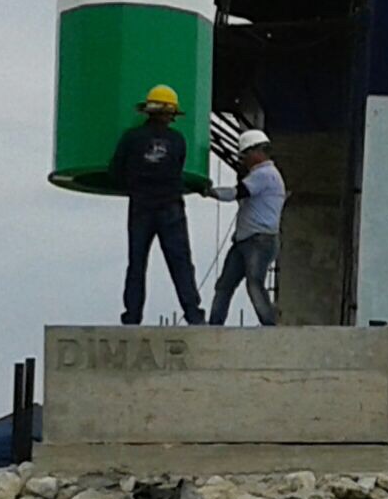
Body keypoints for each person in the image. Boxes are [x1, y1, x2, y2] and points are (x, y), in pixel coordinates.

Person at [110, 85, 204, 325]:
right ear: (170, 113)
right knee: (180, 262)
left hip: (141, 206)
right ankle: (193, 315)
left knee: (137, 262)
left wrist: (135, 186)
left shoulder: (131, 138)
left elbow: (116, 172)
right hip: (171, 205)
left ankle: (132, 316)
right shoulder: (177, 140)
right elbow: (178, 169)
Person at [204, 129, 285, 326]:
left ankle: (269, 326)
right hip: (247, 240)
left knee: (254, 283)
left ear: (256, 152)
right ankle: (215, 324)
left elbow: (236, 193)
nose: (244, 160)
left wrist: (209, 191)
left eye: (245, 155)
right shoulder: (268, 175)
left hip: (258, 240)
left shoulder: (264, 175)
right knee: (226, 284)